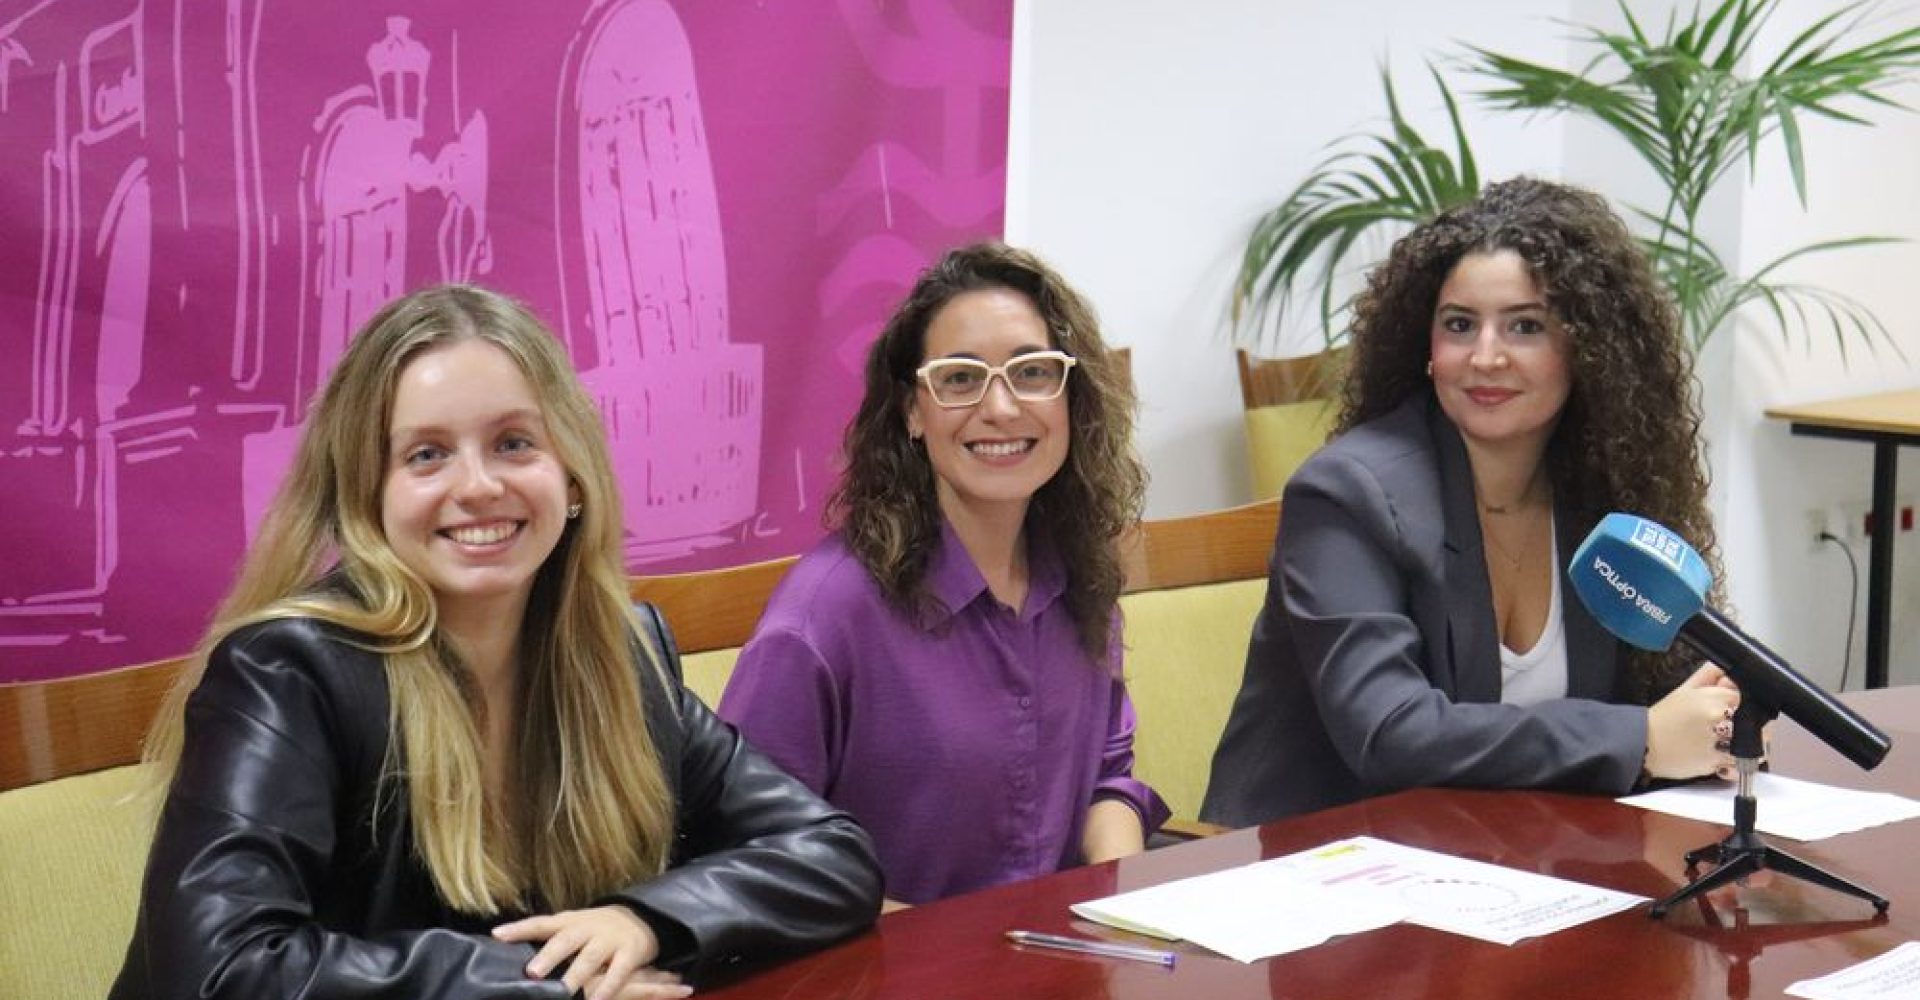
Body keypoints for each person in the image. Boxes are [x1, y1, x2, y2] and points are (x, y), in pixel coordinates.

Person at [112, 286, 882, 1000]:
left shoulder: (626, 653)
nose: (478, 485)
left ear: (573, 477)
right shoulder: (287, 671)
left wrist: (646, 921)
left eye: (515, 443)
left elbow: (832, 856)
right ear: (365, 497)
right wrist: (544, 978)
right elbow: (217, 971)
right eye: (426, 455)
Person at [1202, 177, 1743, 827]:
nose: (1485, 356)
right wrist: (1644, 739)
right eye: (1460, 325)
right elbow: (1392, 732)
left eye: (1524, 326)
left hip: (1514, 861)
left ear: (1588, 348)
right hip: (1318, 866)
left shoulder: (1603, 491)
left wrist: (1723, 714)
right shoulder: (1348, 495)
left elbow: (1678, 680)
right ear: (1427, 348)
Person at [718, 242, 1169, 906]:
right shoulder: (824, 613)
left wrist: (1118, 896)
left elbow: (1109, 779)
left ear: (1072, 397)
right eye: (960, 379)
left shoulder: (1081, 572)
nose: (1002, 409)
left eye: (1033, 373)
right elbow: (746, 854)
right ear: (911, 411)